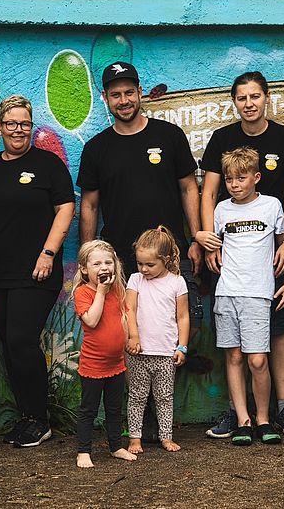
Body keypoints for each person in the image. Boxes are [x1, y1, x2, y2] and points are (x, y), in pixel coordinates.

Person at [77, 61, 203, 441]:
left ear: (139, 92)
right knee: (129, 332)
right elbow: (89, 205)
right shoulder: (97, 148)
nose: (124, 99)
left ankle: (162, 416)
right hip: (120, 260)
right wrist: (88, 253)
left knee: (172, 327)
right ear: (106, 99)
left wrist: (196, 237)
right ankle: (139, 420)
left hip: (169, 256)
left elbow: (188, 189)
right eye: (115, 94)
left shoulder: (169, 136)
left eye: (129, 92)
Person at [195, 71, 284, 438]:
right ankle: (237, 414)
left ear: (267, 98)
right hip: (231, 259)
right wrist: (208, 239)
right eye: (242, 97)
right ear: (235, 101)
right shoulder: (222, 139)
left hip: (272, 252)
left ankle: (282, 409)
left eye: (255, 96)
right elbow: (208, 194)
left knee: (279, 330)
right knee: (235, 348)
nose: (249, 103)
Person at [0, 94, 75, 448]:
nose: (19, 130)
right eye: (12, 123)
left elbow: (65, 209)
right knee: (8, 345)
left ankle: (40, 419)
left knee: (20, 339)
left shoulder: (48, 164)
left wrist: (48, 253)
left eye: (25, 124)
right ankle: (27, 417)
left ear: (32, 127)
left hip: (36, 273)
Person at [211, 147, 284, 446]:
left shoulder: (271, 206)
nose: (234, 184)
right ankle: (243, 419)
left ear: (256, 177)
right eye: (229, 179)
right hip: (227, 291)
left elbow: (283, 249)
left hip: (258, 294)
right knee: (233, 356)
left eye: (241, 178)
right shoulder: (221, 210)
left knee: (257, 360)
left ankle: (264, 418)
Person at [72, 240, 138, 468]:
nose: (104, 267)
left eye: (108, 262)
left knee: (114, 408)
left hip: (117, 364)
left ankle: (116, 446)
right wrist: (100, 291)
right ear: (84, 269)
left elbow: (125, 315)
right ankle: (83, 451)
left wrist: (130, 338)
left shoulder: (118, 289)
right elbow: (91, 320)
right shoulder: (83, 292)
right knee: (88, 410)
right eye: (97, 263)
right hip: (93, 365)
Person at [125, 226, 190, 454]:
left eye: (150, 265)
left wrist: (182, 346)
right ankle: (135, 438)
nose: (144, 269)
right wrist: (133, 336)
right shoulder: (135, 280)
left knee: (164, 397)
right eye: (140, 263)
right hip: (138, 353)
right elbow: (129, 309)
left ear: (167, 259)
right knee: (136, 397)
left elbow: (182, 317)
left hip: (165, 353)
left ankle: (166, 436)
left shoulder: (177, 282)